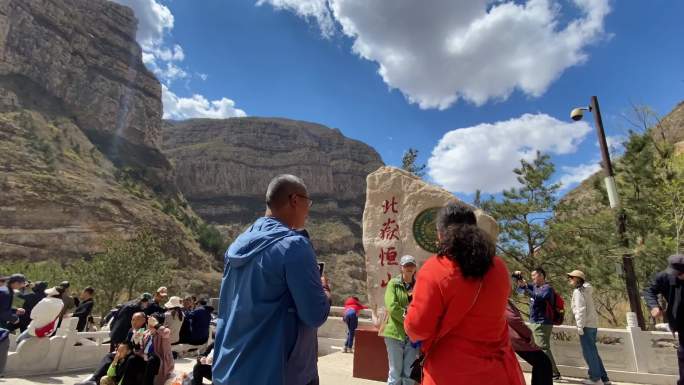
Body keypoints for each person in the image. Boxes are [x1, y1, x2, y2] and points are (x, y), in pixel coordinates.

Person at [213, 174, 332, 385]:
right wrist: (325, 293)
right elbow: (314, 315)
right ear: (295, 200)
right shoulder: (294, 245)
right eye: (308, 202)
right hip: (278, 373)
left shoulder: (237, 245)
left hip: (231, 369)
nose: (308, 209)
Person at [404, 203, 524, 385]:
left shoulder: (435, 269)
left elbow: (418, 328)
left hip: (450, 373)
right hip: (498, 372)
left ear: (440, 233)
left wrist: (408, 316)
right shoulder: (498, 266)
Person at [76, 312, 148, 385]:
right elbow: (126, 343)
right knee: (109, 356)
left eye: (137, 320)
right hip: (126, 352)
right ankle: (94, 379)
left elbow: (140, 348)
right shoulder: (131, 331)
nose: (134, 322)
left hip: (136, 356)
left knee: (129, 359)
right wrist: (120, 349)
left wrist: (127, 351)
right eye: (133, 320)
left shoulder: (145, 332)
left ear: (144, 320)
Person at [644, 254, 684, 385]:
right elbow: (649, 290)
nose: (676, 275)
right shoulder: (664, 276)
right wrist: (654, 306)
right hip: (680, 321)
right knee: (683, 353)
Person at [515, 267, 561, 379]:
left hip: (543, 322)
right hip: (535, 321)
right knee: (541, 347)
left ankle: (553, 372)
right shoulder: (535, 287)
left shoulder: (547, 288)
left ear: (541, 275)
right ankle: (551, 371)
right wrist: (518, 278)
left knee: (542, 347)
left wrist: (526, 288)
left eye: (534, 276)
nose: (532, 278)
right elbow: (520, 291)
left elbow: (539, 297)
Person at [567, 270, 611, 385]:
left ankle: (595, 379)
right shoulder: (586, 290)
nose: (569, 279)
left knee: (589, 353)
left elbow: (580, 310)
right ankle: (604, 379)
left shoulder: (578, 292)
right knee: (593, 352)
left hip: (585, 325)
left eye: (571, 277)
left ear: (577, 279)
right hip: (592, 324)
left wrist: (580, 326)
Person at [381, 255, 419, 385]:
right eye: (406, 265)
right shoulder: (394, 284)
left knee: (409, 373)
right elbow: (391, 306)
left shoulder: (419, 285)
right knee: (395, 372)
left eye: (411, 265)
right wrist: (409, 317)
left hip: (412, 335)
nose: (409, 268)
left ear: (415, 268)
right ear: (401, 268)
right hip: (395, 333)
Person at [506, 299, 553, 385]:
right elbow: (512, 319)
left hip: (513, 339)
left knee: (541, 363)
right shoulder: (501, 298)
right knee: (543, 362)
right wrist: (528, 333)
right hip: (517, 339)